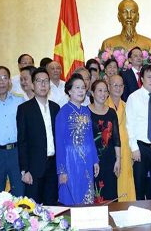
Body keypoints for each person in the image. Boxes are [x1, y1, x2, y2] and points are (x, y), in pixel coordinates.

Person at [17, 67, 60, 205]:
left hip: (53, 166)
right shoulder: (24, 109)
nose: (43, 85)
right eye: (39, 81)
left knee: (52, 207)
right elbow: (22, 141)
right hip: (34, 169)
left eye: (46, 81)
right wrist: (25, 170)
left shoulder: (55, 108)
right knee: (33, 209)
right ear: (32, 85)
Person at [55, 74, 99, 205]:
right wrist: (62, 171)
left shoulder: (86, 111)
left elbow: (90, 138)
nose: (81, 91)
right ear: (69, 91)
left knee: (87, 195)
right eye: (77, 87)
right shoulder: (63, 112)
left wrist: (95, 160)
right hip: (70, 160)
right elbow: (59, 143)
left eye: (83, 88)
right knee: (71, 194)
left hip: (86, 159)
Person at [126, 64, 151, 200]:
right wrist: (134, 148)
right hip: (141, 147)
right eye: (149, 77)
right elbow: (130, 125)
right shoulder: (133, 97)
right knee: (139, 185)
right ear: (142, 78)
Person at [0, 66, 24, 196]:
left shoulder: (20, 102)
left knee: (20, 193)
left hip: (16, 153)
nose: (1, 82)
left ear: (10, 82)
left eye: (4, 78)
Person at [88, 80, 121, 202]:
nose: (103, 94)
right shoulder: (86, 112)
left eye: (105, 91)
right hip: (92, 159)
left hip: (109, 159)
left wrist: (118, 160)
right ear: (92, 93)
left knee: (110, 193)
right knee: (94, 193)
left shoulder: (111, 112)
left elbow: (116, 138)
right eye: (99, 90)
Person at [106, 75, 136, 201]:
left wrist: (133, 151)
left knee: (126, 179)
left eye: (120, 85)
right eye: (114, 85)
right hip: (109, 149)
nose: (118, 88)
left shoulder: (127, 105)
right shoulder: (104, 106)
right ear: (109, 87)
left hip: (126, 149)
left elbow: (132, 129)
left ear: (124, 87)